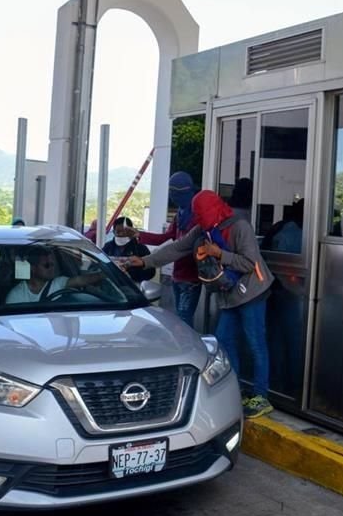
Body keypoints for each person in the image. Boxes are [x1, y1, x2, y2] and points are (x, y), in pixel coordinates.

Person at [128, 190, 274, 419]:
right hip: (230, 295)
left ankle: (261, 396)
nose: (200, 218)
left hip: (252, 292)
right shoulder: (204, 228)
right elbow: (177, 248)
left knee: (255, 342)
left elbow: (249, 263)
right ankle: (234, 390)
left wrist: (219, 254)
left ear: (214, 208)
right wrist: (146, 261)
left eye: (202, 213)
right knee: (223, 342)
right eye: (198, 214)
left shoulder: (240, 227)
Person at [131, 171, 202, 328]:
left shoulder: (198, 217)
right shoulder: (180, 214)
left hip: (191, 277)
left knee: (184, 320)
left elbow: (180, 246)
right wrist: (138, 234)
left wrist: (146, 261)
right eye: (171, 192)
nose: (172, 196)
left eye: (175, 192)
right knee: (181, 318)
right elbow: (166, 237)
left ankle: (188, 350)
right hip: (177, 274)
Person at [5, 246, 104, 304]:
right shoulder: (16, 295)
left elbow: (81, 280)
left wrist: (103, 274)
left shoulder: (58, 283)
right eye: (47, 265)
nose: (52, 268)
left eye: (53, 264)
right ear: (33, 268)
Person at [103, 217, 155, 283]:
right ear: (113, 232)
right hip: (111, 284)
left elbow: (151, 272)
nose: (121, 234)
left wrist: (130, 273)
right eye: (118, 232)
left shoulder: (140, 248)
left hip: (132, 285)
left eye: (125, 232)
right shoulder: (108, 247)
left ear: (131, 232)